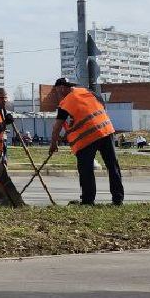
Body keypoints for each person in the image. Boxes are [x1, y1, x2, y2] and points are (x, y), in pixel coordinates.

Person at [47, 77, 124, 206]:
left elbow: (57, 127)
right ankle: (118, 199)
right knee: (112, 166)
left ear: (61, 88)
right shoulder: (88, 92)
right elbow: (98, 109)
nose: (58, 93)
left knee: (86, 169)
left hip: (87, 139)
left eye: (57, 90)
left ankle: (88, 200)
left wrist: (53, 144)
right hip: (105, 131)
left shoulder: (65, 103)